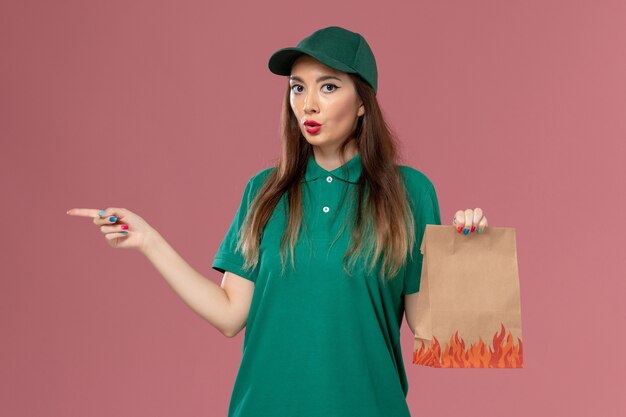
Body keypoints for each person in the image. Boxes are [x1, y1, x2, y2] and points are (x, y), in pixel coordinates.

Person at [67, 25, 488, 417]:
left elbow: (431, 329)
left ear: (362, 101)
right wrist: (148, 240)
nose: (309, 104)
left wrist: (465, 254)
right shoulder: (264, 192)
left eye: (328, 87)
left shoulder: (410, 193)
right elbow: (231, 314)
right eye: (297, 88)